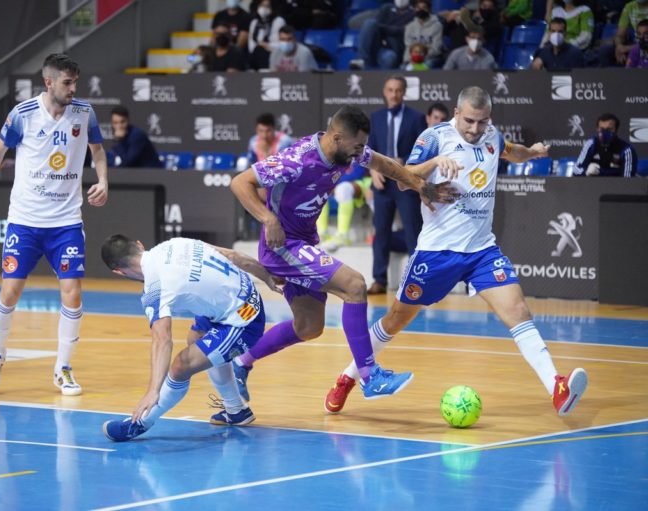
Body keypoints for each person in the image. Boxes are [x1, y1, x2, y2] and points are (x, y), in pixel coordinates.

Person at [324, 86, 588, 418]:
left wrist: (533, 153)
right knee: (394, 320)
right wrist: (435, 163)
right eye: (470, 122)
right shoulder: (434, 137)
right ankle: (348, 378)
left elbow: (510, 151)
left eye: (482, 122)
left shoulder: (492, 134)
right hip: (437, 253)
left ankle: (556, 388)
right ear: (456, 112)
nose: (476, 129)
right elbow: (405, 181)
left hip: (481, 251)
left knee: (518, 310)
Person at [228, 105, 456, 403]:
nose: (360, 153)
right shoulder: (296, 159)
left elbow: (384, 164)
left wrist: (420, 186)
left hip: (304, 242)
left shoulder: (347, 148)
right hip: (283, 245)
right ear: (337, 138)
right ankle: (370, 376)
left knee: (309, 327)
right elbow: (239, 182)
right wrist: (268, 219)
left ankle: (240, 363)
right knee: (355, 285)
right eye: (357, 146)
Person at [0, 53, 108, 396]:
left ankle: (62, 368)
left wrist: (103, 180)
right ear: (49, 82)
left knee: (72, 295)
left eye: (76, 82)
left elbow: (98, 151)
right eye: (67, 82)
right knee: (10, 291)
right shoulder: (23, 114)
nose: (74, 88)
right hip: (25, 221)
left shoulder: (84, 112)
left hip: (66, 222)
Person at [100, 235, 282, 441]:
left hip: (243, 321)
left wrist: (153, 390)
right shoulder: (175, 243)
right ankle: (236, 410)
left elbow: (162, 340)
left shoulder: (154, 289)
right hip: (242, 295)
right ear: (139, 244)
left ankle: (141, 422)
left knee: (181, 365)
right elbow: (234, 256)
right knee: (196, 338)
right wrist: (266, 276)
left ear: (118, 272)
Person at [367, 76, 427, 295]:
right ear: (385, 91)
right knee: (380, 232)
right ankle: (379, 280)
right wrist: (373, 171)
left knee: (413, 231)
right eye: (390, 90)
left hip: (406, 182)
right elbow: (368, 150)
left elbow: (423, 150)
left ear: (404, 93)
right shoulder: (375, 118)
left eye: (398, 90)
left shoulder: (417, 118)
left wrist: (406, 162)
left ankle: (416, 281)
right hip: (382, 185)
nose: (394, 94)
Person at [356, 0, 416, 70]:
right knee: (370, 23)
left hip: (393, 49)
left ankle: (381, 78)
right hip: (378, 45)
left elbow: (404, 30)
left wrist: (385, 28)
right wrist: (391, 29)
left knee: (389, 57)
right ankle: (361, 59)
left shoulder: (413, 14)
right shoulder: (386, 8)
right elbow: (376, 26)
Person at [574, 113, 638, 177]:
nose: (604, 133)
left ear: (616, 130)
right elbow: (576, 170)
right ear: (597, 129)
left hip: (616, 185)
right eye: (601, 129)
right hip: (591, 185)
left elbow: (628, 179)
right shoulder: (591, 144)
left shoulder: (626, 150)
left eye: (609, 129)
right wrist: (586, 172)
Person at [599, 0, 648, 66]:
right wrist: (619, 47)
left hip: (644, 44)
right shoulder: (629, 7)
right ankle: (610, 75)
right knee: (605, 50)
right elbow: (619, 35)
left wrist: (626, 48)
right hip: (635, 43)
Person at [403, 0, 443, 69]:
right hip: (413, 58)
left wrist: (420, 57)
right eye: (418, 8)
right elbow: (408, 47)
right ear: (415, 9)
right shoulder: (409, 27)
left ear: (429, 10)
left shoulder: (437, 26)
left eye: (424, 8)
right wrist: (408, 60)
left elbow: (436, 48)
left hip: (430, 58)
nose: (421, 10)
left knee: (425, 66)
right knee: (404, 68)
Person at [247, 0, 286, 70]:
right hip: (257, 54)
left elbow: (281, 44)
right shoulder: (254, 22)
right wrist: (260, 46)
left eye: (267, 6)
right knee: (258, 51)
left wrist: (266, 45)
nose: (264, 9)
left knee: (261, 51)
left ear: (272, 8)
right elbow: (251, 44)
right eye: (261, 6)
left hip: (273, 53)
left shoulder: (278, 21)